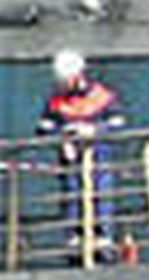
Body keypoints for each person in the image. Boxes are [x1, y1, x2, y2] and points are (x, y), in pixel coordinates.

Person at [36, 49, 127, 261]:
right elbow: (43, 128)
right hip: (71, 161)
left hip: (99, 155)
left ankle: (103, 235)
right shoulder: (57, 102)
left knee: (101, 193)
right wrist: (62, 138)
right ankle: (74, 237)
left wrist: (94, 130)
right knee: (71, 195)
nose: (62, 85)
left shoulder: (102, 97)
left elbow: (118, 123)